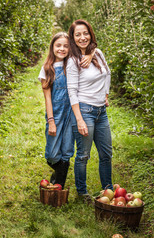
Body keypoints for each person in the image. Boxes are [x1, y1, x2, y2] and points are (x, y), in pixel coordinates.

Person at [38, 32, 93, 189]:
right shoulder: (47, 69)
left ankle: (59, 185)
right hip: (55, 114)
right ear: (52, 47)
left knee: (67, 150)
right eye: (58, 45)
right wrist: (51, 121)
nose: (62, 48)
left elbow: (92, 48)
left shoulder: (72, 64)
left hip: (72, 113)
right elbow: (48, 98)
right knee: (52, 155)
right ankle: (58, 174)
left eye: (66, 46)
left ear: (71, 48)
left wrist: (91, 54)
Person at [66, 19, 113, 198]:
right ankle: (82, 193)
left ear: (90, 34)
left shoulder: (98, 53)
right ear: (73, 38)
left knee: (106, 154)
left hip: (101, 111)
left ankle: (108, 191)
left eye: (85, 33)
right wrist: (79, 119)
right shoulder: (73, 61)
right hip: (85, 110)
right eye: (78, 34)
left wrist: (105, 95)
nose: (82, 37)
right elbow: (72, 91)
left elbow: (107, 74)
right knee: (83, 155)